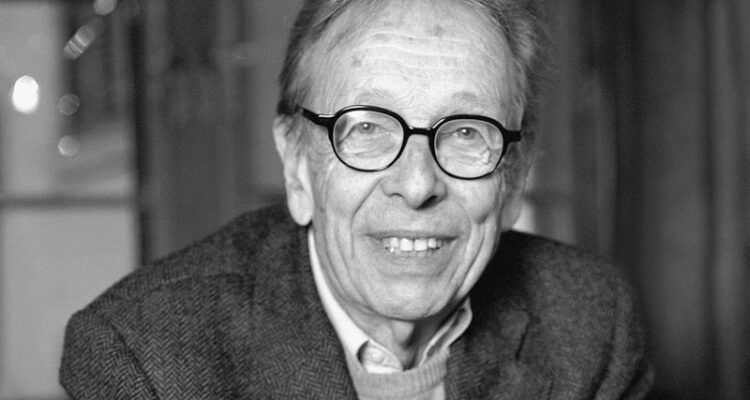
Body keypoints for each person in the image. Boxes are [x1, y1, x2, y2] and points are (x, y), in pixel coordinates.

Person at [60, 0, 653, 398]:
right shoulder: (146, 359)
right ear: (298, 167)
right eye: (366, 128)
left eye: (467, 132)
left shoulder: (589, 323)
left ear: (515, 178)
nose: (417, 185)